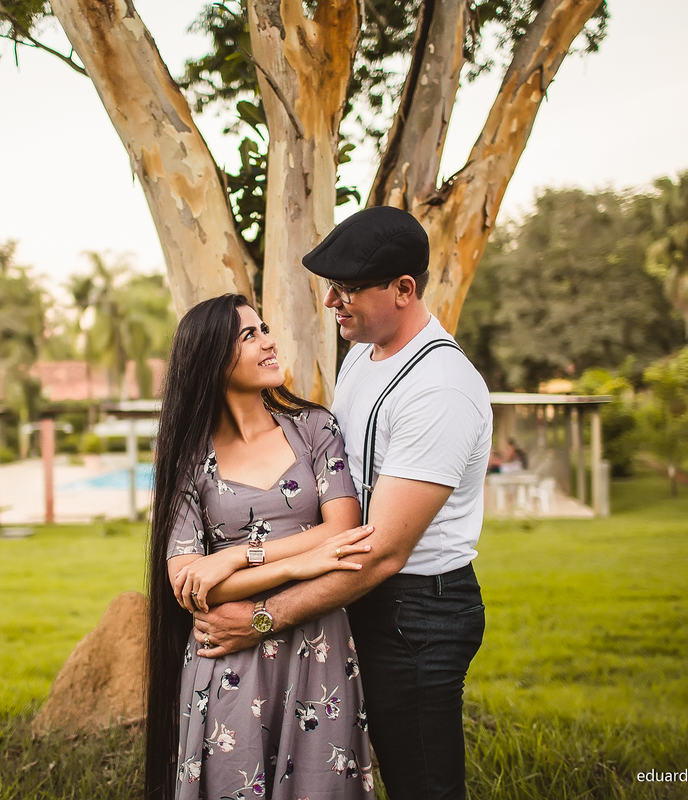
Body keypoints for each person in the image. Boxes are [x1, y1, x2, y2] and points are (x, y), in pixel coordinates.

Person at [192, 207, 492, 800]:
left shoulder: (440, 389)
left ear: (404, 289)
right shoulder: (364, 353)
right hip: (359, 593)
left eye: (349, 289)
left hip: (416, 613)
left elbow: (383, 552)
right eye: (332, 286)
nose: (332, 301)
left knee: (423, 785)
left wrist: (259, 618)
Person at [144, 293, 379, 800]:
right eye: (249, 335)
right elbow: (189, 582)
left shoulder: (315, 428)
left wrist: (233, 557)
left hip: (317, 649)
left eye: (264, 329)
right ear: (211, 358)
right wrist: (301, 562)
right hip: (228, 656)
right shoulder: (186, 456)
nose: (269, 342)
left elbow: (343, 533)